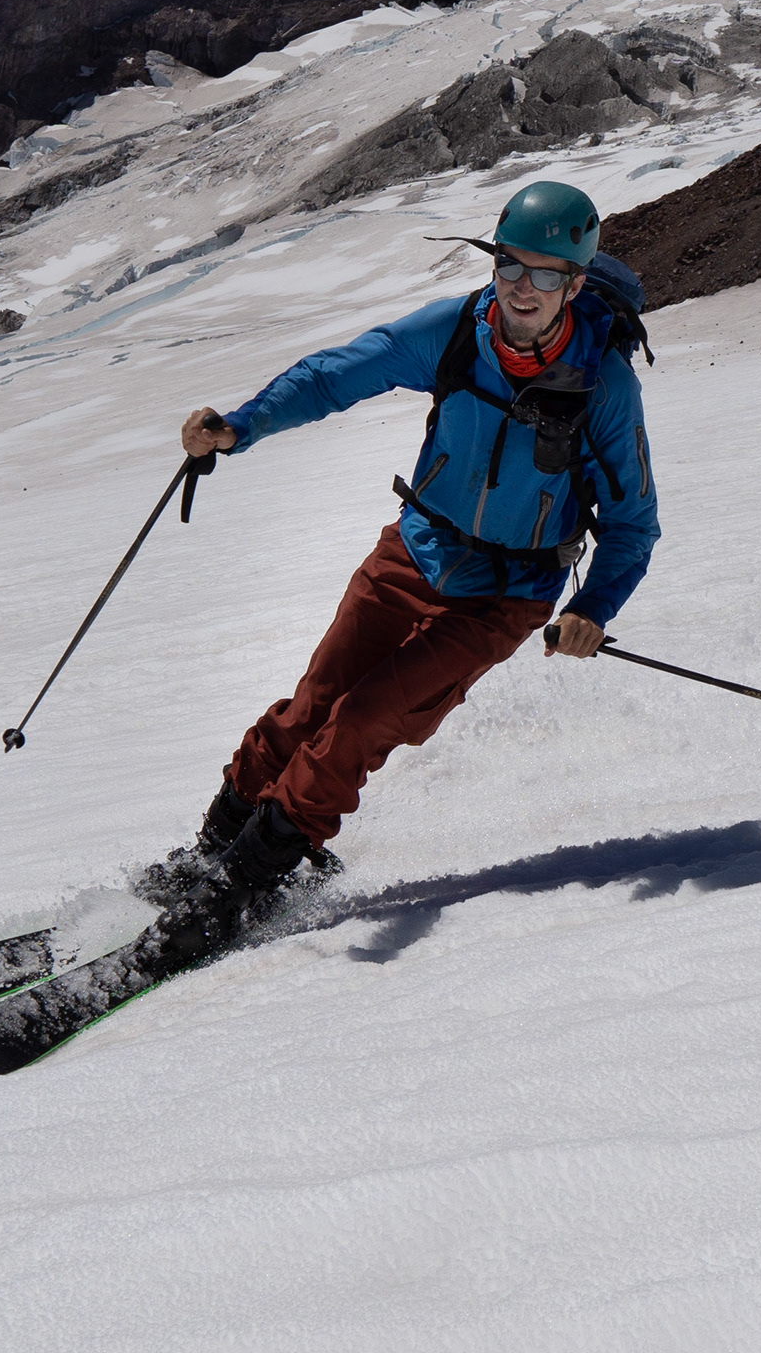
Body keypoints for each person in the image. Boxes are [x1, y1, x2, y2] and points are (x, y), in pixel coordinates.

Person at [130, 178, 659, 958]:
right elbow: (340, 373)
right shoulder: (456, 331)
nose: (523, 287)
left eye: (547, 274)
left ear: (575, 285)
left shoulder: (603, 386)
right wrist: (241, 426)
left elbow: (632, 525)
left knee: (358, 723)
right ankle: (209, 857)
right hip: (414, 550)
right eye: (511, 264)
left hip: (505, 595)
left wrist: (594, 607)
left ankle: (245, 887)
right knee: (313, 704)